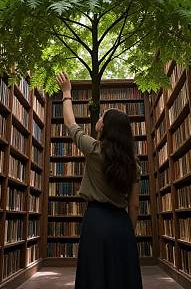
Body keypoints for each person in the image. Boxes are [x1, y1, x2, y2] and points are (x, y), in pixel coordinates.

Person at [56, 72, 143, 289]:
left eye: (102, 116)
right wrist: (126, 232)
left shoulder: (94, 150)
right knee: (121, 280)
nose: (99, 118)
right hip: (121, 225)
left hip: (96, 222)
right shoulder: (134, 164)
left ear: (105, 127)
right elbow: (134, 205)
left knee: (94, 278)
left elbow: (70, 123)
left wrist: (67, 92)